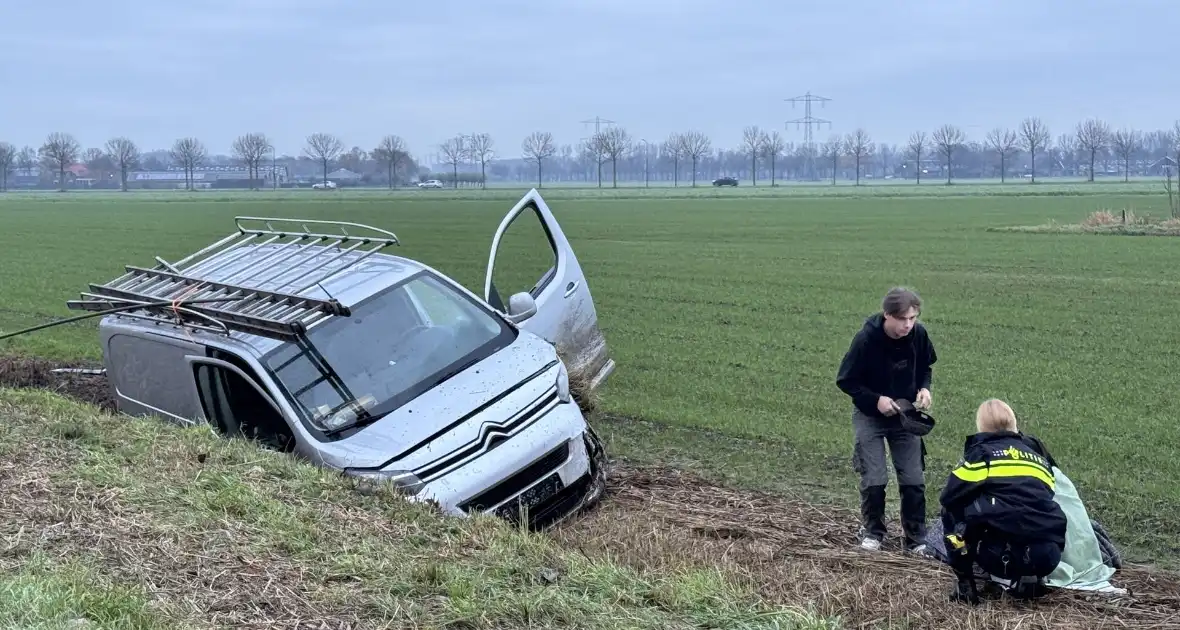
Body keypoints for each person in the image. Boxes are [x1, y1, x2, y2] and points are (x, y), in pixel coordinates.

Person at [836, 286, 937, 554]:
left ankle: (916, 538)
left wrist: (925, 389)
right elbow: (846, 381)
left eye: (912, 318)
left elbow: (926, 367)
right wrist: (876, 400)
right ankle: (873, 532)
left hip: (905, 416)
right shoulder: (866, 340)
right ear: (887, 316)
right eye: (902, 319)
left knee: (913, 477)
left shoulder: (919, 335)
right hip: (871, 415)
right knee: (875, 476)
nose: (908, 325)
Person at [940, 399, 1068, 604]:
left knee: (951, 513)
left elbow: (949, 497)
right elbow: (1048, 492)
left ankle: (966, 584)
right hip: (1047, 556)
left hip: (998, 555)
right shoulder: (1039, 457)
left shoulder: (981, 454)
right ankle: (1030, 578)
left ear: (982, 426)